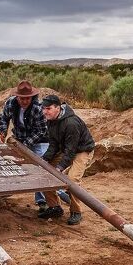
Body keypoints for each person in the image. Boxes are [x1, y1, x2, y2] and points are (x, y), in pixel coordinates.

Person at [0, 80, 69, 211]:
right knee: (10, 162)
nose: (24, 101)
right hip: (20, 138)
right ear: (17, 96)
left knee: (41, 165)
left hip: (39, 140)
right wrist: (3, 130)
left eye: (27, 98)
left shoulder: (38, 108)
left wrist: (26, 145)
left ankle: (42, 199)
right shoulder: (10, 103)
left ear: (31, 97)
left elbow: (42, 130)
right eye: (22, 98)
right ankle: (4, 191)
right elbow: (4, 117)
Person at [38, 95, 95, 225]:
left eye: (48, 108)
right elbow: (53, 144)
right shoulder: (51, 120)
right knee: (45, 172)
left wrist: (59, 168)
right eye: (43, 108)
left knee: (72, 179)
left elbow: (71, 151)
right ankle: (54, 207)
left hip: (82, 150)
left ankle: (76, 211)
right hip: (65, 149)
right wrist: (44, 160)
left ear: (58, 108)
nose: (45, 111)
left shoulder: (71, 123)